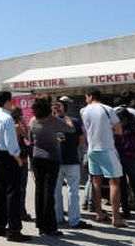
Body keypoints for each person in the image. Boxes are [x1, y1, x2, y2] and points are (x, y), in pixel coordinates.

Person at [0, 91, 31, 242]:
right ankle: (14, 230)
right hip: (9, 157)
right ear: (7, 102)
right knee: (13, 193)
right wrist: (18, 158)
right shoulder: (7, 119)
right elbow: (11, 143)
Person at [29, 97, 75, 236]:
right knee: (49, 193)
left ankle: (41, 225)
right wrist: (65, 116)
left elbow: (31, 137)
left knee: (39, 192)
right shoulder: (54, 121)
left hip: (37, 158)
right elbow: (71, 129)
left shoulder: (33, 121)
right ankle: (50, 227)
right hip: (51, 159)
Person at [80, 88, 125, 227]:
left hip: (92, 149)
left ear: (90, 96)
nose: (85, 99)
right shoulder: (108, 109)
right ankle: (116, 218)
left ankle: (99, 213)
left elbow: (87, 129)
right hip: (107, 148)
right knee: (114, 182)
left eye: (86, 96)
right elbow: (119, 129)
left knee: (96, 182)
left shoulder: (83, 110)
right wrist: (110, 130)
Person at [53, 97, 91, 229]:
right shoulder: (74, 121)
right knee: (72, 191)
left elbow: (62, 139)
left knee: (57, 191)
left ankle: (58, 218)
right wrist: (79, 153)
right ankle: (73, 220)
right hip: (71, 159)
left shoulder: (51, 122)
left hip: (57, 161)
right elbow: (81, 140)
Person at [10, 107, 32, 221]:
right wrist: (24, 124)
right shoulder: (17, 127)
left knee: (14, 187)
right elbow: (27, 137)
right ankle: (21, 212)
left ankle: (15, 211)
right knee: (21, 187)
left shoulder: (9, 126)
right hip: (21, 160)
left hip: (13, 159)